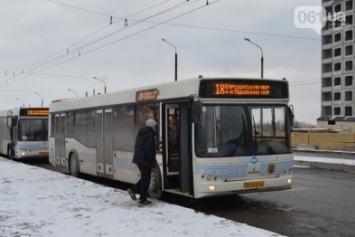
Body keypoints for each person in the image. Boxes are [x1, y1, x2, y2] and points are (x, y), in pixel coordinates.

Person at [127, 118, 157, 205]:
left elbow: (136, 146)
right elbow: (149, 149)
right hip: (145, 160)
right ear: (152, 126)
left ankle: (134, 190)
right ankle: (143, 199)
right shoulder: (150, 135)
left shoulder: (141, 133)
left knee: (145, 177)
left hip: (139, 159)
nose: (155, 127)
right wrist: (152, 162)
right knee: (146, 178)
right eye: (155, 126)